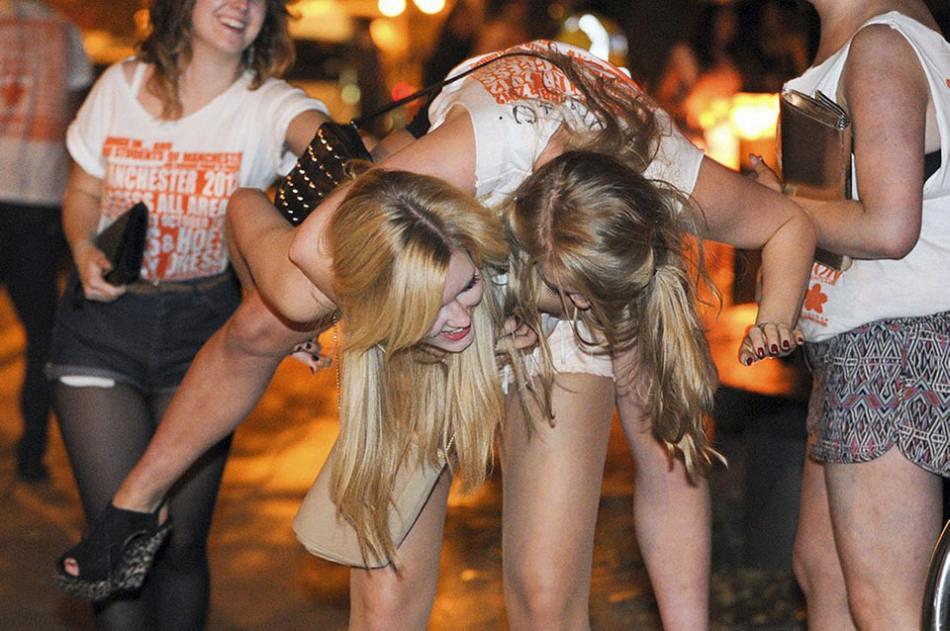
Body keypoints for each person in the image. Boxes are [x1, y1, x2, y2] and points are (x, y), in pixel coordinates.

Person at [61, 41, 815, 629]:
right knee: (285, 307)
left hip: (572, 240)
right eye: (566, 297)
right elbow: (314, 248)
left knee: (550, 587)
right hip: (453, 262)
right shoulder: (479, 155)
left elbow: (787, 224)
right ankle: (241, 215)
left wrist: (776, 316)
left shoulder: (670, 174)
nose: (577, 314)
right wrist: (438, 314)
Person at [47, 0, 330, 627]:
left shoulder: (269, 104)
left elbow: (328, 148)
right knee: (119, 547)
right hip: (101, 328)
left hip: (203, 336)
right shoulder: (119, 87)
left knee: (179, 546)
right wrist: (83, 248)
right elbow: (84, 189)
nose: (241, 6)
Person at [751, 1, 950, 628]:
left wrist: (775, 208)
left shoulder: (880, 45)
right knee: (825, 571)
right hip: (862, 343)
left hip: (889, 347)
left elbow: (890, 227)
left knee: (885, 605)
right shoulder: (871, 41)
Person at [0, 0, 92, 482]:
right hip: (39, 199)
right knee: (43, 333)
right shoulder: (64, 33)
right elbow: (76, 121)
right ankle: (31, 453)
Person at [654, 1, 743, 139]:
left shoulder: (729, 58)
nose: (729, 26)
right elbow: (674, 100)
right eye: (723, 20)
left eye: (731, 21)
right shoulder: (685, 53)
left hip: (723, 135)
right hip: (692, 136)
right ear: (710, 21)